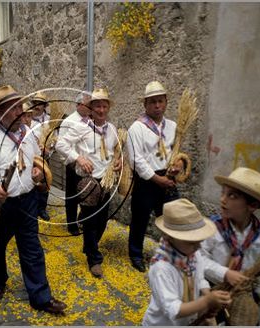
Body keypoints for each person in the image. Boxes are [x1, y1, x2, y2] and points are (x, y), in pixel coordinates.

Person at [0, 85, 67, 314]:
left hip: (27, 201)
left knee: (32, 248)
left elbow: (36, 161)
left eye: (19, 107)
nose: (20, 112)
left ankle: (40, 297)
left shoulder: (29, 133)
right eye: (13, 108)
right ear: (0, 111)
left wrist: (38, 172)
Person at [56, 88, 121, 278]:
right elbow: (61, 144)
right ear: (90, 108)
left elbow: (115, 152)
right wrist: (78, 158)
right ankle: (94, 259)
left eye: (104, 106)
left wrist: (118, 162)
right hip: (88, 181)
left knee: (102, 221)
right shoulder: (82, 126)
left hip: (106, 181)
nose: (101, 110)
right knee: (91, 221)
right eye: (97, 106)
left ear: (108, 108)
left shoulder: (112, 129)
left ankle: (88, 245)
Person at [143, 198, 232, 326]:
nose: (198, 247)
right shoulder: (161, 268)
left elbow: (200, 280)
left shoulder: (194, 254)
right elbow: (173, 309)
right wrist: (206, 301)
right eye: (191, 242)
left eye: (199, 241)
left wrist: (210, 296)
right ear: (170, 237)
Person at [200, 167, 260, 322]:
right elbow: (199, 260)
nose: (223, 200)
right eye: (223, 193)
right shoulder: (212, 227)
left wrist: (258, 290)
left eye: (232, 196)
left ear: (252, 205)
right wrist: (225, 273)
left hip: (241, 293)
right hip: (212, 289)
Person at [126, 81, 179, 273]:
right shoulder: (137, 128)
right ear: (145, 105)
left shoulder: (172, 126)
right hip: (146, 181)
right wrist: (157, 179)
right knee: (140, 219)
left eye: (160, 101)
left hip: (168, 177)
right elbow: (136, 160)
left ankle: (172, 254)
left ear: (166, 102)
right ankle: (136, 254)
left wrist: (177, 166)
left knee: (172, 219)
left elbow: (175, 152)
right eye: (152, 102)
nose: (157, 106)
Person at [56, 91, 91, 235]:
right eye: (88, 105)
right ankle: (71, 225)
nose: (91, 108)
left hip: (88, 166)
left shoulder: (90, 120)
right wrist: (71, 161)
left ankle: (82, 219)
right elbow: (61, 145)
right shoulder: (69, 121)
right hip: (73, 165)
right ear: (79, 105)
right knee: (72, 196)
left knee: (87, 195)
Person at [30, 92, 52, 221]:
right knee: (32, 180)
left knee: (45, 181)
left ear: (44, 106)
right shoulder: (28, 119)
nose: (37, 106)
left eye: (40, 104)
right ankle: (32, 207)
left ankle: (42, 208)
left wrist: (49, 148)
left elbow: (55, 137)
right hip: (32, 157)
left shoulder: (50, 120)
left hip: (45, 156)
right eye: (35, 103)